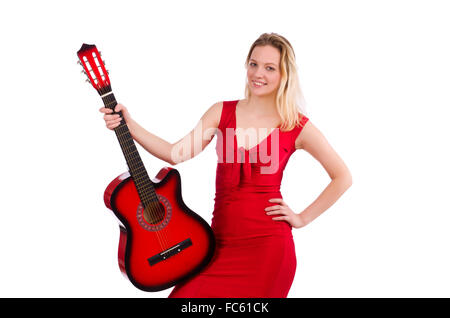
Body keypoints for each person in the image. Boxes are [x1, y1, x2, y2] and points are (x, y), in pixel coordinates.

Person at [99, 33, 352, 298]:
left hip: (268, 250)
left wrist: (301, 218)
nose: (258, 74)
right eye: (253, 64)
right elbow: (175, 153)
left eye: (269, 68)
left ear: (284, 74)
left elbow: (342, 176)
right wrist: (129, 125)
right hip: (219, 246)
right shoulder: (222, 112)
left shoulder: (296, 125)